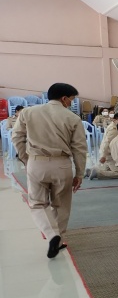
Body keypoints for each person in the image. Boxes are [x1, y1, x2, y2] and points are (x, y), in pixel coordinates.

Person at [11, 83, 87, 259]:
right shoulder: (72, 118)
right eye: (71, 100)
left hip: (36, 163)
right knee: (61, 205)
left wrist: (26, 159)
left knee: (37, 203)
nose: (71, 103)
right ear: (64, 98)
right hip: (62, 165)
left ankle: (52, 235)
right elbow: (79, 148)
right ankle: (59, 239)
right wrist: (79, 173)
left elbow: (17, 137)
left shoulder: (28, 112)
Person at [87, 112, 118, 180]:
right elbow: (107, 143)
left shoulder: (113, 126)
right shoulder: (114, 130)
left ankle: (90, 171)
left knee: (107, 168)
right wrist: (104, 156)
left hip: (108, 153)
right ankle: (97, 173)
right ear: (114, 120)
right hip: (109, 155)